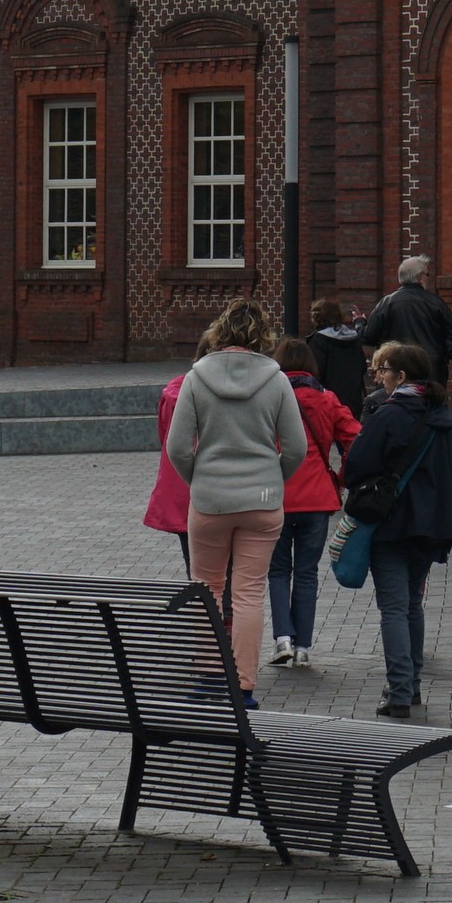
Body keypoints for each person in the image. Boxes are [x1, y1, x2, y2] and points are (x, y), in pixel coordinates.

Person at [162, 300, 307, 700]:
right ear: (263, 337)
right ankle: (242, 684)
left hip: (210, 500)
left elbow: (177, 447)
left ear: (220, 331)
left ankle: (209, 675)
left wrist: (201, 479)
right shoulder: (276, 380)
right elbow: (296, 447)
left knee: (205, 588)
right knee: (248, 593)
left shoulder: (196, 378)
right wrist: (274, 479)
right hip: (261, 499)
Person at [343, 338, 452, 719]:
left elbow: (356, 466)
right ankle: (411, 686)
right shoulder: (442, 417)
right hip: (431, 526)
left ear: (402, 376)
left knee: (393, 607)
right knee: (412, 603)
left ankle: (399, 690)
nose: (378, 377)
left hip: (392, 523)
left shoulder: (388, 414)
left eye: (383, 371)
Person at [265, 335, 359, 671]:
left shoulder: (268, 397)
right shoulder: (327, 398)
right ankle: (303, 646)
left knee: (278, 571)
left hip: (275, 494)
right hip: (318, 497)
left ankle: (282, 639)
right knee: (306, 573)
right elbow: (357, 441)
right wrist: (343, 477)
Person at [371, 255, 452, 383]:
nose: (428, 278)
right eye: (427, 275)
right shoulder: (436, 303)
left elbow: (370, 336)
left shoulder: (387, 303)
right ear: (420, 277)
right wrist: (442, 354)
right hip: (431, 370)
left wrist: (359, 323)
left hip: (395, 369)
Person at [141, 373, 191, 569]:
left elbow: (165, 438)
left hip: (180, 486)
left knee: (196, 568)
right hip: (221, 489)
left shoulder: (173, 393)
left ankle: (201, 597)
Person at [308, 296, 375, 414]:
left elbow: (316, 373)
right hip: (353, 402)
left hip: (329, 404)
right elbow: (362, 367)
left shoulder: (318, 341)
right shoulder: (352, 338)